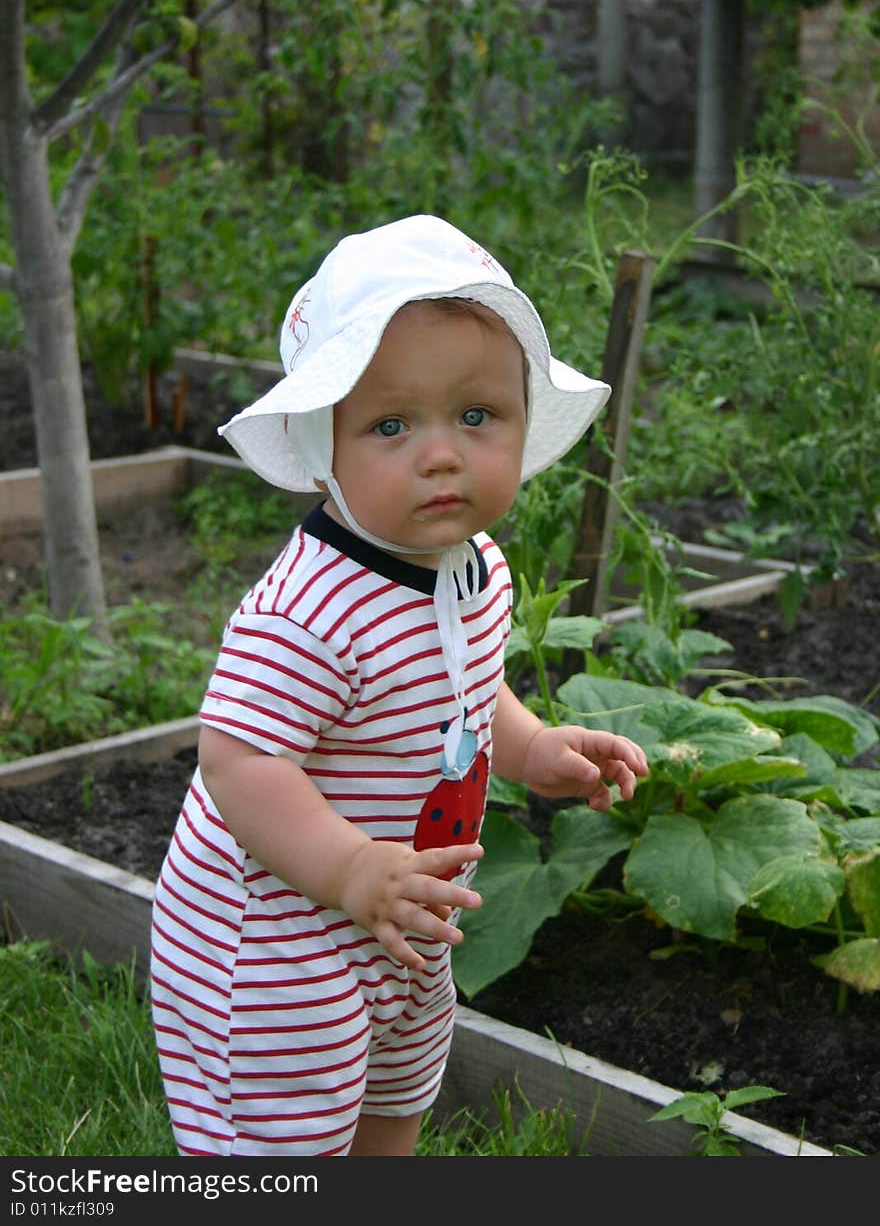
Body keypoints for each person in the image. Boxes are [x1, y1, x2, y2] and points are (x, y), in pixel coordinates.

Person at [149, 214, 649, 1158]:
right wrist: (347, 870)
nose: (442, 453)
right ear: (320, 436)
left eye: (476, 415)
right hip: (279, 944)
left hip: (406, 917)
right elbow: (240, 760)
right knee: (287, 1144)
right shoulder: (310, 610)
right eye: (390, 424)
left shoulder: (474, 565)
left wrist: (533, 745)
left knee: (393, 1110)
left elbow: (467, 691)